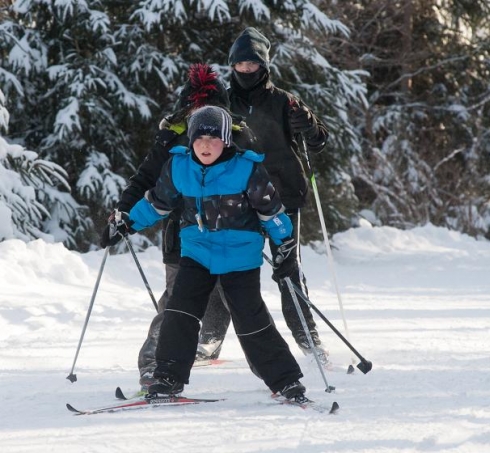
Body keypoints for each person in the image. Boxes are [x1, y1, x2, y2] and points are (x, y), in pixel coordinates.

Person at [104, 105, 307, 401]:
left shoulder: (246, 168)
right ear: (190, 141)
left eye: (213, 139)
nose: (206, 145)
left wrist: (286, 246)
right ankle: (166, 379)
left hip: (241, 258)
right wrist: (127, 223)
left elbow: (271, 213)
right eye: (199, 139)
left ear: (225, 141)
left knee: (251, 321)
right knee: (178, 314)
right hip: (197, 253)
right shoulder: (179, 167)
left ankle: (286, 381)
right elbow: (157, 203)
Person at [100, 64, 255, 390]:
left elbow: (258, 176)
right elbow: (145, 178)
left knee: (231, 295)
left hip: (231, 233)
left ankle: (210, 342)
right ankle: (155, 367)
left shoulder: (237, 135)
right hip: (183, 235)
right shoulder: (172, 136)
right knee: (176, 300)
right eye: (197, 112)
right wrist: (123, 214)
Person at [197, 26, 331, 363]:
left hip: (283, 196)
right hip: (235, 197)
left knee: (288, 268)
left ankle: (309, 340)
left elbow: (319, 141)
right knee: (223, 269)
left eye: (251, 65)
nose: (245, 70)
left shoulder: (284, 101)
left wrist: (309, 124)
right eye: (239, 65)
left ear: (264, 66)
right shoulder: (222, 103)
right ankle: (210, 338)